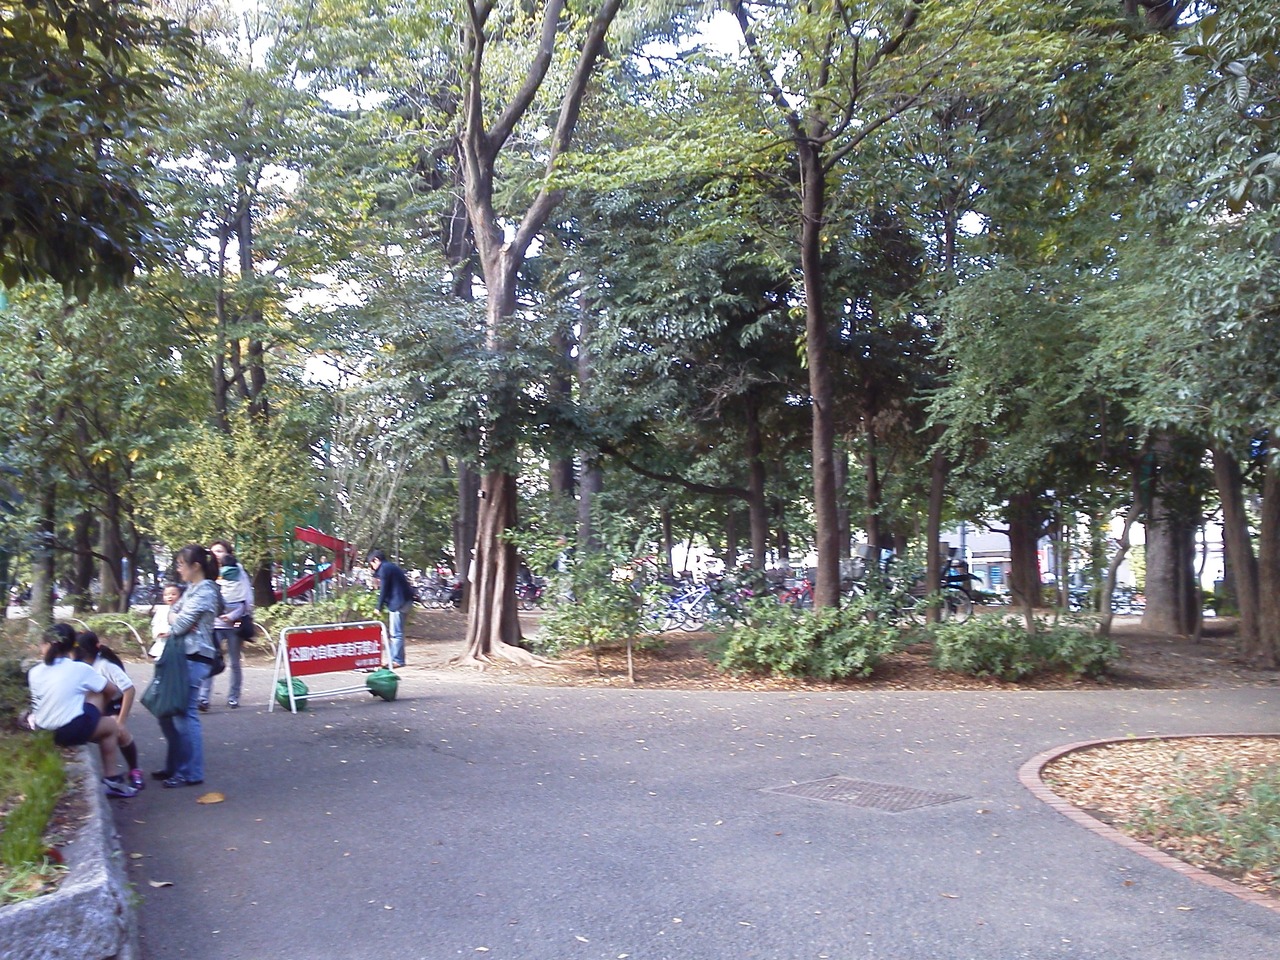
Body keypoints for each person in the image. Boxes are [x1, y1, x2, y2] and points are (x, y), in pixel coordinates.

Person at [27, 624, 135, 798]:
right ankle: (112, 779)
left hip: (43, 729)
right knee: (110, 725)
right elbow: (112, 690)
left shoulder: (34, 672)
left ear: (44, 645)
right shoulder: (80, 669)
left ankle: (94, 724)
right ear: (71, 646)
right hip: (68, 730)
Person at [154, 544, 221, 788]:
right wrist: (177, 618)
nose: (179, 569)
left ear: (196, 566)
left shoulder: (205, 590)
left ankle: (190, 772)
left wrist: (178, 620)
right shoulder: (193, 588)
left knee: (184, 714)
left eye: (182, 564)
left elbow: (180, 624)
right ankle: (176, 766)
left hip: (195, 657)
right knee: (168, 712)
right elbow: (175, 615)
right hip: (183, 656)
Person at [73, 630, 144, 790]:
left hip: (113, 703)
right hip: (92, 704)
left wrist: (121, 721)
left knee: (119, 731)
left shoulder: (105, 665)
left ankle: (134, 770)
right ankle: (110, 773)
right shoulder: (77, 665)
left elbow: (129, 690)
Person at [199, 540, 252, 710]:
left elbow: (246, 597)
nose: (216, 554)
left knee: (235, 662)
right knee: (209, 660)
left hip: (234, 624)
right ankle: (203, 698)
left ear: (228, 553)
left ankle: (233, 697)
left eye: (220, 551)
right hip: (214, 624)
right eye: (213, 551)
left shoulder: (238, 570)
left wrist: (234, 615)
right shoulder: (208, 571)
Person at [367, 548, 412, 669]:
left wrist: (378, 607)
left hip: (398, 603)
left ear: (376, 560)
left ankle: (397, 660)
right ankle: (394, 659)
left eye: (372, 564)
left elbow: (384, 589)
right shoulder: (390, 567)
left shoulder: (384, 568)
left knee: (396, 633)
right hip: (405, 601)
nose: (372, 567)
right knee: (397, 632)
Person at [149, 582, 183, 659]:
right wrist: (158, 633)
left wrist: (170, 633)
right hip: (162, 642)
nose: (170, 597)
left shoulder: (182, 610)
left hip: (177, 643)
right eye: (166, 595)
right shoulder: (161, 610)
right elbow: (155, 623)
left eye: (173, 594)